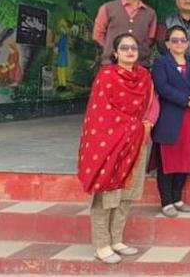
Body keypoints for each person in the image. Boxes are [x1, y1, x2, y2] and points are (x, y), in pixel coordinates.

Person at [77, 33, 158, 264]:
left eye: (133, 47)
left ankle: (117, 239)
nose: (130, 51)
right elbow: (101, 112)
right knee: (106, 195)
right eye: (124, 48)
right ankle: (101, 245)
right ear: (115, 52)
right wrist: (134, 126)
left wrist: (147, 125)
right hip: (110, 142)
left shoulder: (144, 76)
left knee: (127, 194)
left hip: (137, 141)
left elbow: (152, 104)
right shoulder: (107, 76)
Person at [151, 26, 190, 217]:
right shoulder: (161, 62)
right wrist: (186, 101)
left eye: (182, 40)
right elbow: (162, 87)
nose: (179, 44)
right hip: (170, 117)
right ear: (167, 44)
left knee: (185, 159)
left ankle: (178, 199)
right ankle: (166, 202)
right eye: (174, 40)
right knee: (167, 162)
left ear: (188, 43)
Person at [92, 0, 157, 67]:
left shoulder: (150, 13)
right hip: (111, 66)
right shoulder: (107, 8)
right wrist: (111, 50)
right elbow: (97, 35)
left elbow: (150, 39)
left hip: (140, 67)